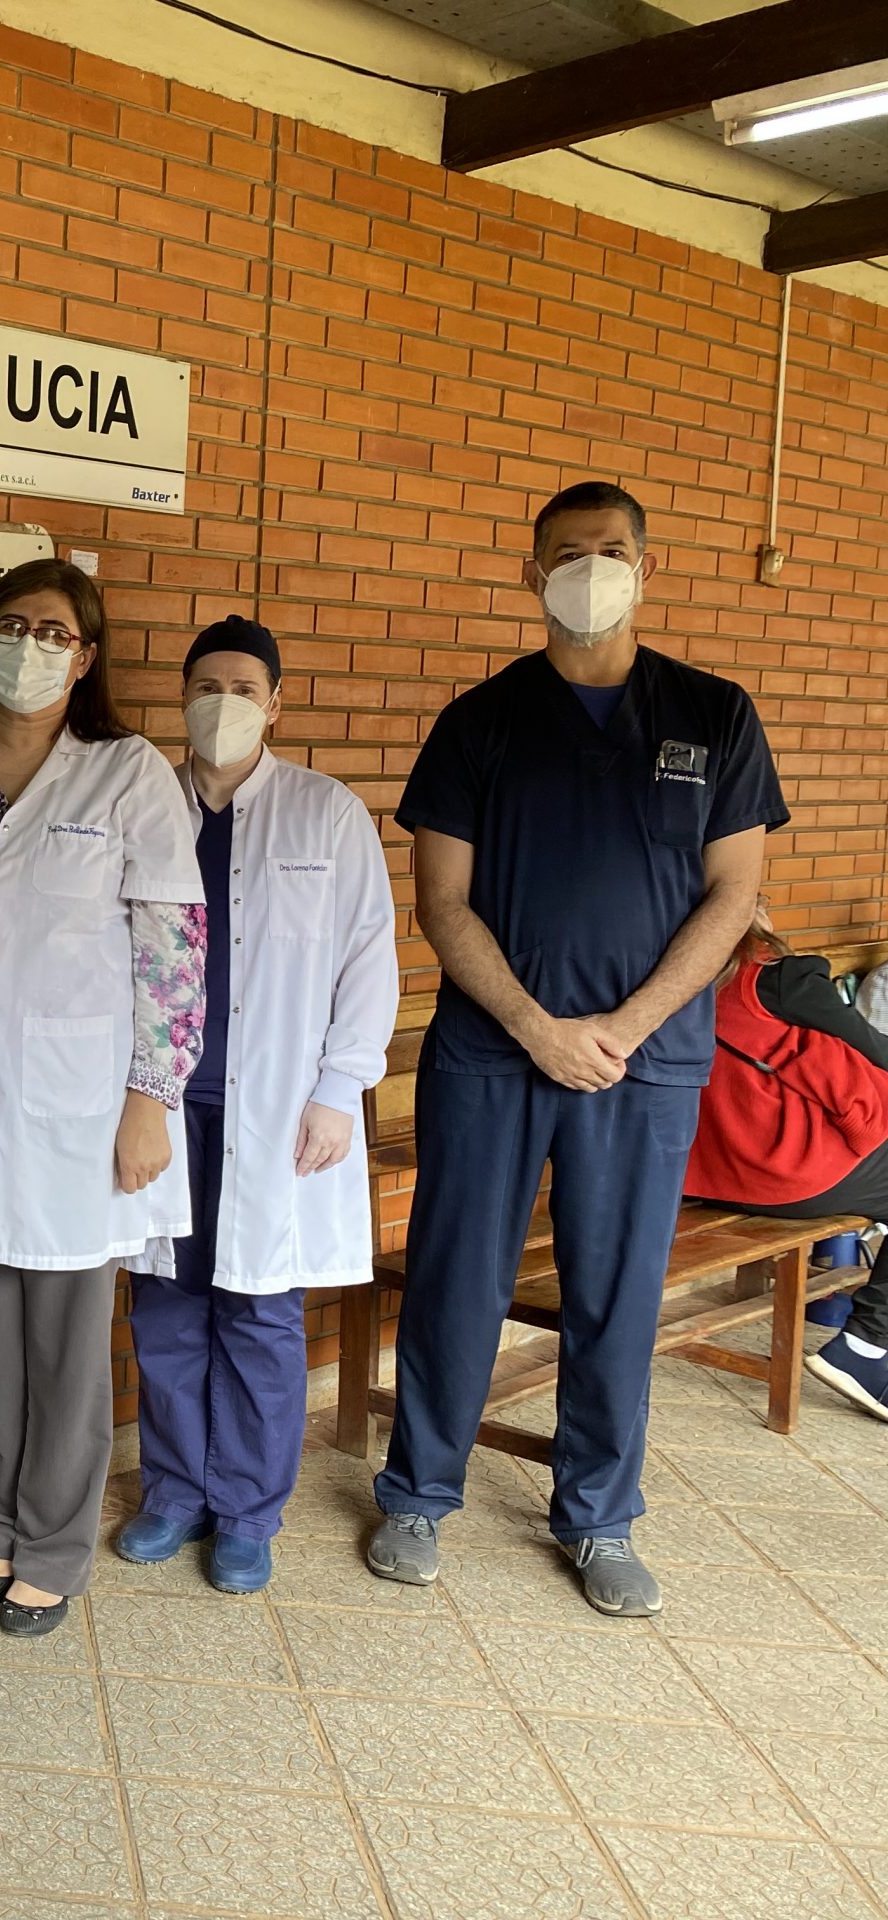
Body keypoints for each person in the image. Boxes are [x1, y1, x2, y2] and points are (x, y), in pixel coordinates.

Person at [369, 480, 787, 1618]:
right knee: (459, 1277)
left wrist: (624, 1026)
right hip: (495, 1053)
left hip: (641, 1065)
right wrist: (538, 1028)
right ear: (529, 571)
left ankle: (598, 1516)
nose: (587, 568)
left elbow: (733, 894)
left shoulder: (714, 715)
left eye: (609, 551)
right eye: (566, 552)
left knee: (616, 1290)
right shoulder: (480, 722)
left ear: (645, 569)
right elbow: (442, 904)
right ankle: (417, 1493)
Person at [0, 557, 207, 1637]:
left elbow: (174, 952)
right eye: (10, 624)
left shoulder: (126, 771)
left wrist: (150, 1100)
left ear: (84, 656)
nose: (28, 646)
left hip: (85, 1105)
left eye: (52, 630)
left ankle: (52, 1548)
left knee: (67, 1352)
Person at [122, 617, 398, 1594]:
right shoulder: (145, 806)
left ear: (277, 704)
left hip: (280, 1113)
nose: (223, 703)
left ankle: (245, 1513)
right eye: (207, 684)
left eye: (244, 687)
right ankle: (172, 1494)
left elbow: (369, 960)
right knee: (165, 1308)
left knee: (258, 1315)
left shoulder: (327, 815)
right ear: (180, 694)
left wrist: (338, 1091)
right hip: (165, 1108)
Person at [683, 901, 888, 1416]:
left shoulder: (660, 980)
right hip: (786, 1175)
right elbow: (874, 1048)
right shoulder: (775, 979)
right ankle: (865, 1347)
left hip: (703, 1176)